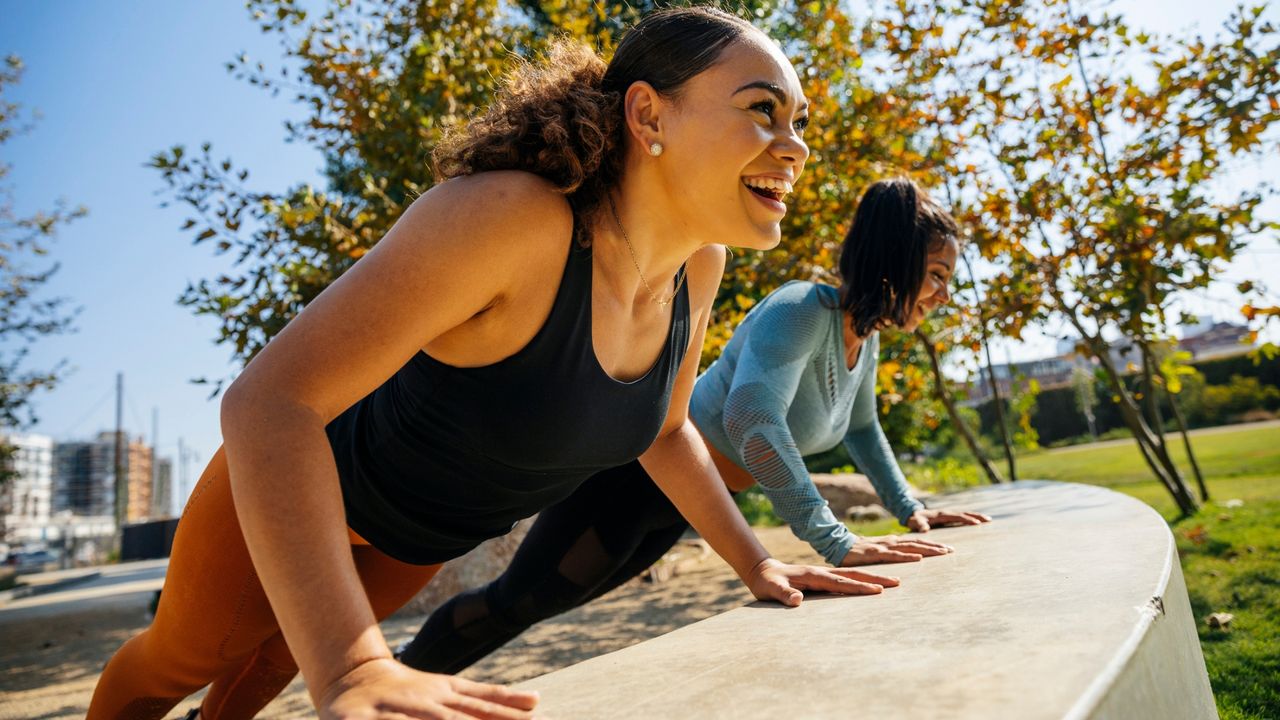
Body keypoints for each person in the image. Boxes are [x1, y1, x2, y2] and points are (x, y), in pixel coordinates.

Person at [87, 8, 903, 720]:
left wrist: (759, 562)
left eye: (800, 121)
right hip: (303, 488)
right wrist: (352, 663)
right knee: (179, 663)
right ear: (649, 116)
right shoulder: (511, 218)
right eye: (764, 111)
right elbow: (268, 404)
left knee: (272, 664)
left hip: (418, 536)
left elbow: (665, 429)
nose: (794, 147)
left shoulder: (700, 267)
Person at [397, 178, 992, 675]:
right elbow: (752, 419)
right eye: (937, 274)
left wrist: (911, 507)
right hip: (634, 481)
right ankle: (399, 673)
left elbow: (863, 429)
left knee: (541, 603)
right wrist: (835, 541)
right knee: (521, 601)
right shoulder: (803, 311)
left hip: (690, 502)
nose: (943, 293)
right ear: (896, 259)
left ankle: (410, 684)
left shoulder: (864, 340)